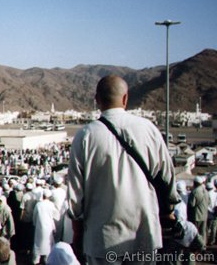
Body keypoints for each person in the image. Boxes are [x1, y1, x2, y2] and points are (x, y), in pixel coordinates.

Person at [67, 75, 179, 265]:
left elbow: (75, 197)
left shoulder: (85, 136)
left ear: (97, 100)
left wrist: (78, 235)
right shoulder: (149, 129)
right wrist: (167, 212)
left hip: (102, 240)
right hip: (144, 235)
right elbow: (168, 179)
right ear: (125, 98)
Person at [32, 189, 60, 264]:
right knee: (48, 244)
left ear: (43, 196)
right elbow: (57, 216)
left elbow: (34, 216)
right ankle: (47, 260)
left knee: (38, 243)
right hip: (49, 227)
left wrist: (35, 224)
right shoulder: (51, 204)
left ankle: (36, 261)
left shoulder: (38, 204)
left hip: (39, 227)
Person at [187, 176, 209, 245]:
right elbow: (209, 202)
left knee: (196, 232)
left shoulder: (195, 191)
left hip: (196, 216)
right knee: (203, 232)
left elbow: (191, 204)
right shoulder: (206, 191)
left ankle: (197, 245)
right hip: (204, 215)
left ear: (195, 183)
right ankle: (203, 245)